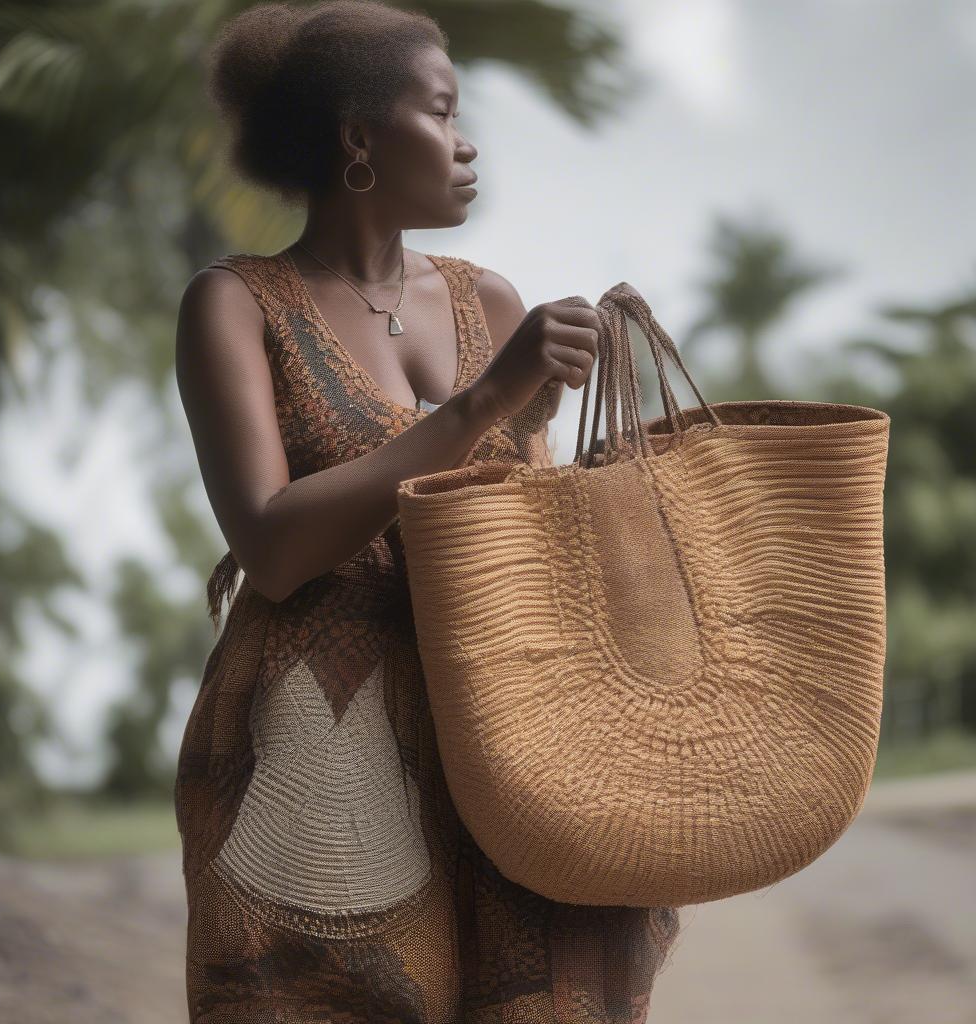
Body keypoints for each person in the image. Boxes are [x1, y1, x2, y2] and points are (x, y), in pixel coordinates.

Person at [173, 2, 681, 1021]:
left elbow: (532, 538)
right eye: (441, 111)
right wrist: (486, 403)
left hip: (496, 726)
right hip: (320, 737)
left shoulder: (486, 302)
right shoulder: (236, 303)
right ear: (358, 137)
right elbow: (270, 546)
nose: (465, 141)